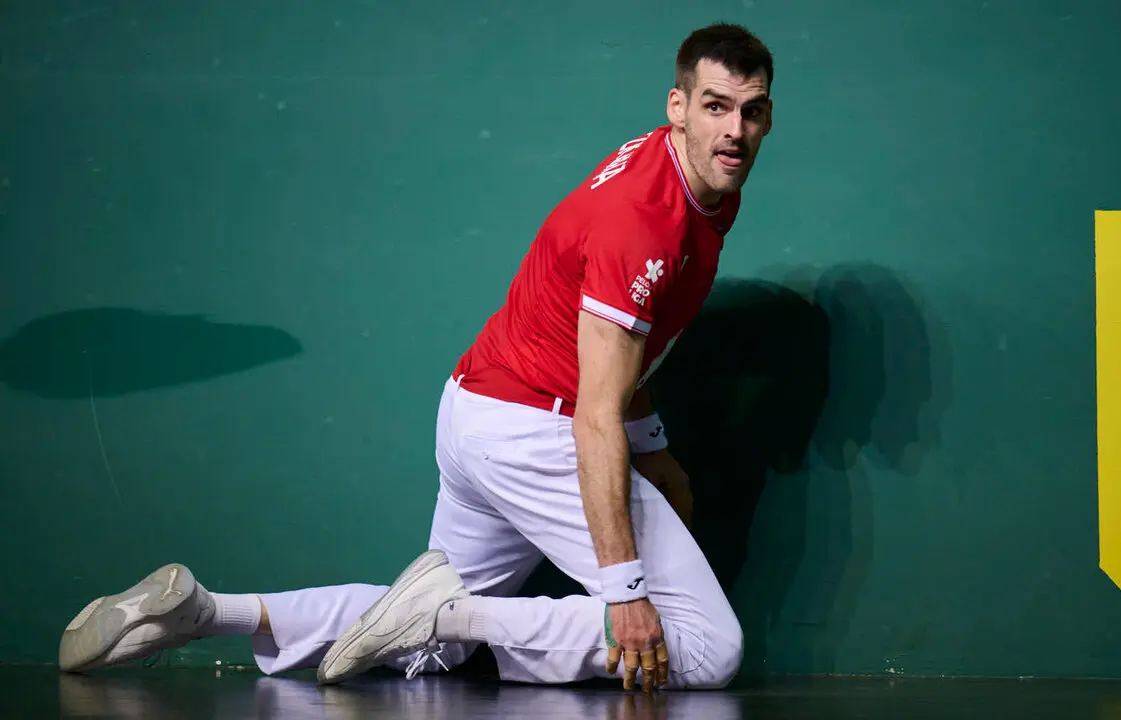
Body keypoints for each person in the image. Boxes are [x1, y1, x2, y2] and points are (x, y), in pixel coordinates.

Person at [57, 22, 774, 694]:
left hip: (477, 414)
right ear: (677, 106)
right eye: (716, 107)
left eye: (752, 112)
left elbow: (621, 350)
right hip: (538, 430)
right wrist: (623, 593)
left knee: (432, 645)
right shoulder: (645, 225)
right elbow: (595, 415)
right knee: (705, 645)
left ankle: (205, 612)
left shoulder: (683, 173)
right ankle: (445, 613)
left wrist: (653, 446)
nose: (735, 131)